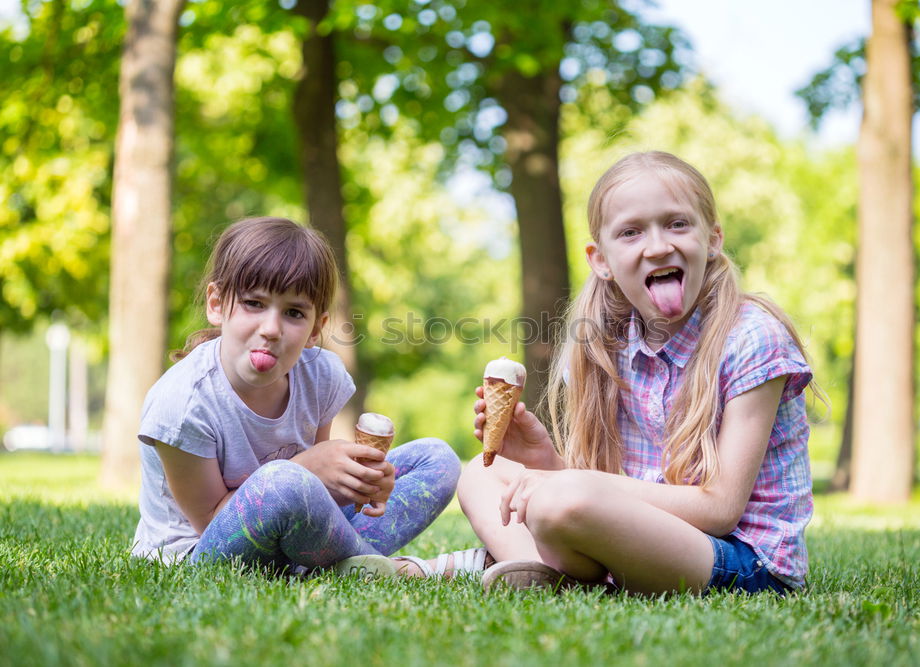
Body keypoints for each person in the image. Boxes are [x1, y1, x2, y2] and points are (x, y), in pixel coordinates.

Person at [459, 151, 824, 595]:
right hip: (644, 539)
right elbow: (614, 489)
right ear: (601, 260)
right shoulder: (602, 344)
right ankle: (540, 570)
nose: (657, 246)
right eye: (631, 232)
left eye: (677, 224)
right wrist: (544, 462)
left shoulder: (751, 336)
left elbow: (721, 510)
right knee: (482, 470)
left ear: (713, 238)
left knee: (558, 500)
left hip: (744, 561)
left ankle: (529, 564)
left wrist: (563, 482)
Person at [131, 216, 466, 577]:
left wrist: (363, 485)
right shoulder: (182, 402)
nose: (271, 329)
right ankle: (395, 570)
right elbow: (212, 523)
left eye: (293, 313)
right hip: (201, 554)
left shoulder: (321, 375)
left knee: (437, 459)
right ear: (216, 303)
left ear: (315, 329)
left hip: (293, 535)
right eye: (253, 303)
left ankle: (344, 565)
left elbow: (317, 495)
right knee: (283, 482)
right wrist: (305, 469)